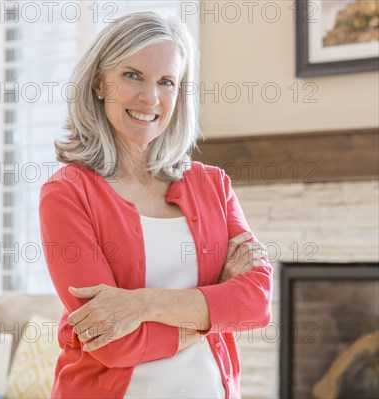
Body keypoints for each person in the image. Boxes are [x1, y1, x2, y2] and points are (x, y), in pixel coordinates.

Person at [38, 12, 272, 398]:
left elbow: (256, 303)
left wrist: (140, 305)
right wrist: (213, 311)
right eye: (133, 75)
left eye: (167, 82)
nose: (151, 98)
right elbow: (111, 342)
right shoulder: (67, 194)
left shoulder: (212, 185)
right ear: (99, 83)